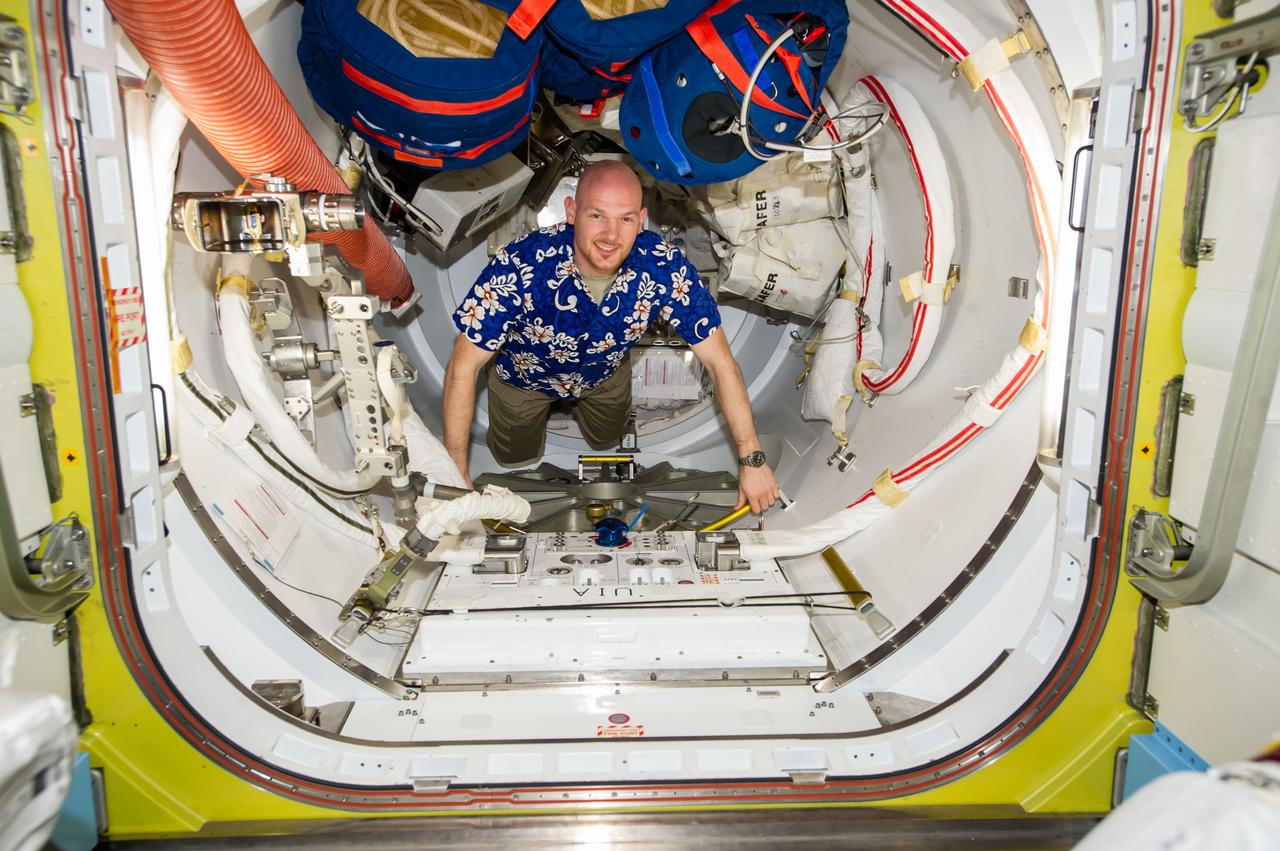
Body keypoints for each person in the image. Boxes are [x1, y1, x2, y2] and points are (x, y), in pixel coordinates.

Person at [442, 160, 779, 514]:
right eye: (597, 215)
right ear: (571, 211)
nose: (611, 235)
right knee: (515, 456)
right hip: (523, 379)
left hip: (604, 376)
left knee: (605, 439)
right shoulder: (521, 265)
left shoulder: (662, 266)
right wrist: (454, 469)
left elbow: (720, 362)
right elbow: (463, 367)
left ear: (642, 219)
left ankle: (591, 417)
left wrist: (752, 461)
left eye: (626, 219)